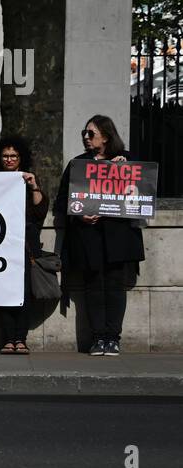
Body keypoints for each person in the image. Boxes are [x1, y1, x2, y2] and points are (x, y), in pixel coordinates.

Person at [55, 115, 143, 356]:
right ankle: (98, 338)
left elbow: (143, 194)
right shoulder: (77, 164)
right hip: (88, 237)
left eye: (91, 133)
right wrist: (79, 215)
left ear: (106, 136)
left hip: (118, 238)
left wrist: (125, 169)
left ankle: (113, 338)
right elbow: (63, 201)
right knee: (93, 287)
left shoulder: (128, 159)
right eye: (84, 133)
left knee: (115, 286)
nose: (86, 137)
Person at [0, 136, 47, 354]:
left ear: (21, 157)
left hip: (23, 248)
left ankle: (20, 339)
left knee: (23, 294)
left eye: (13, 156)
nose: (9, 159)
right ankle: (7, 339)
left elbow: (40, 211)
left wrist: (33, 186)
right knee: (4, 293)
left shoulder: (28, 180)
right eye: (5, 156)